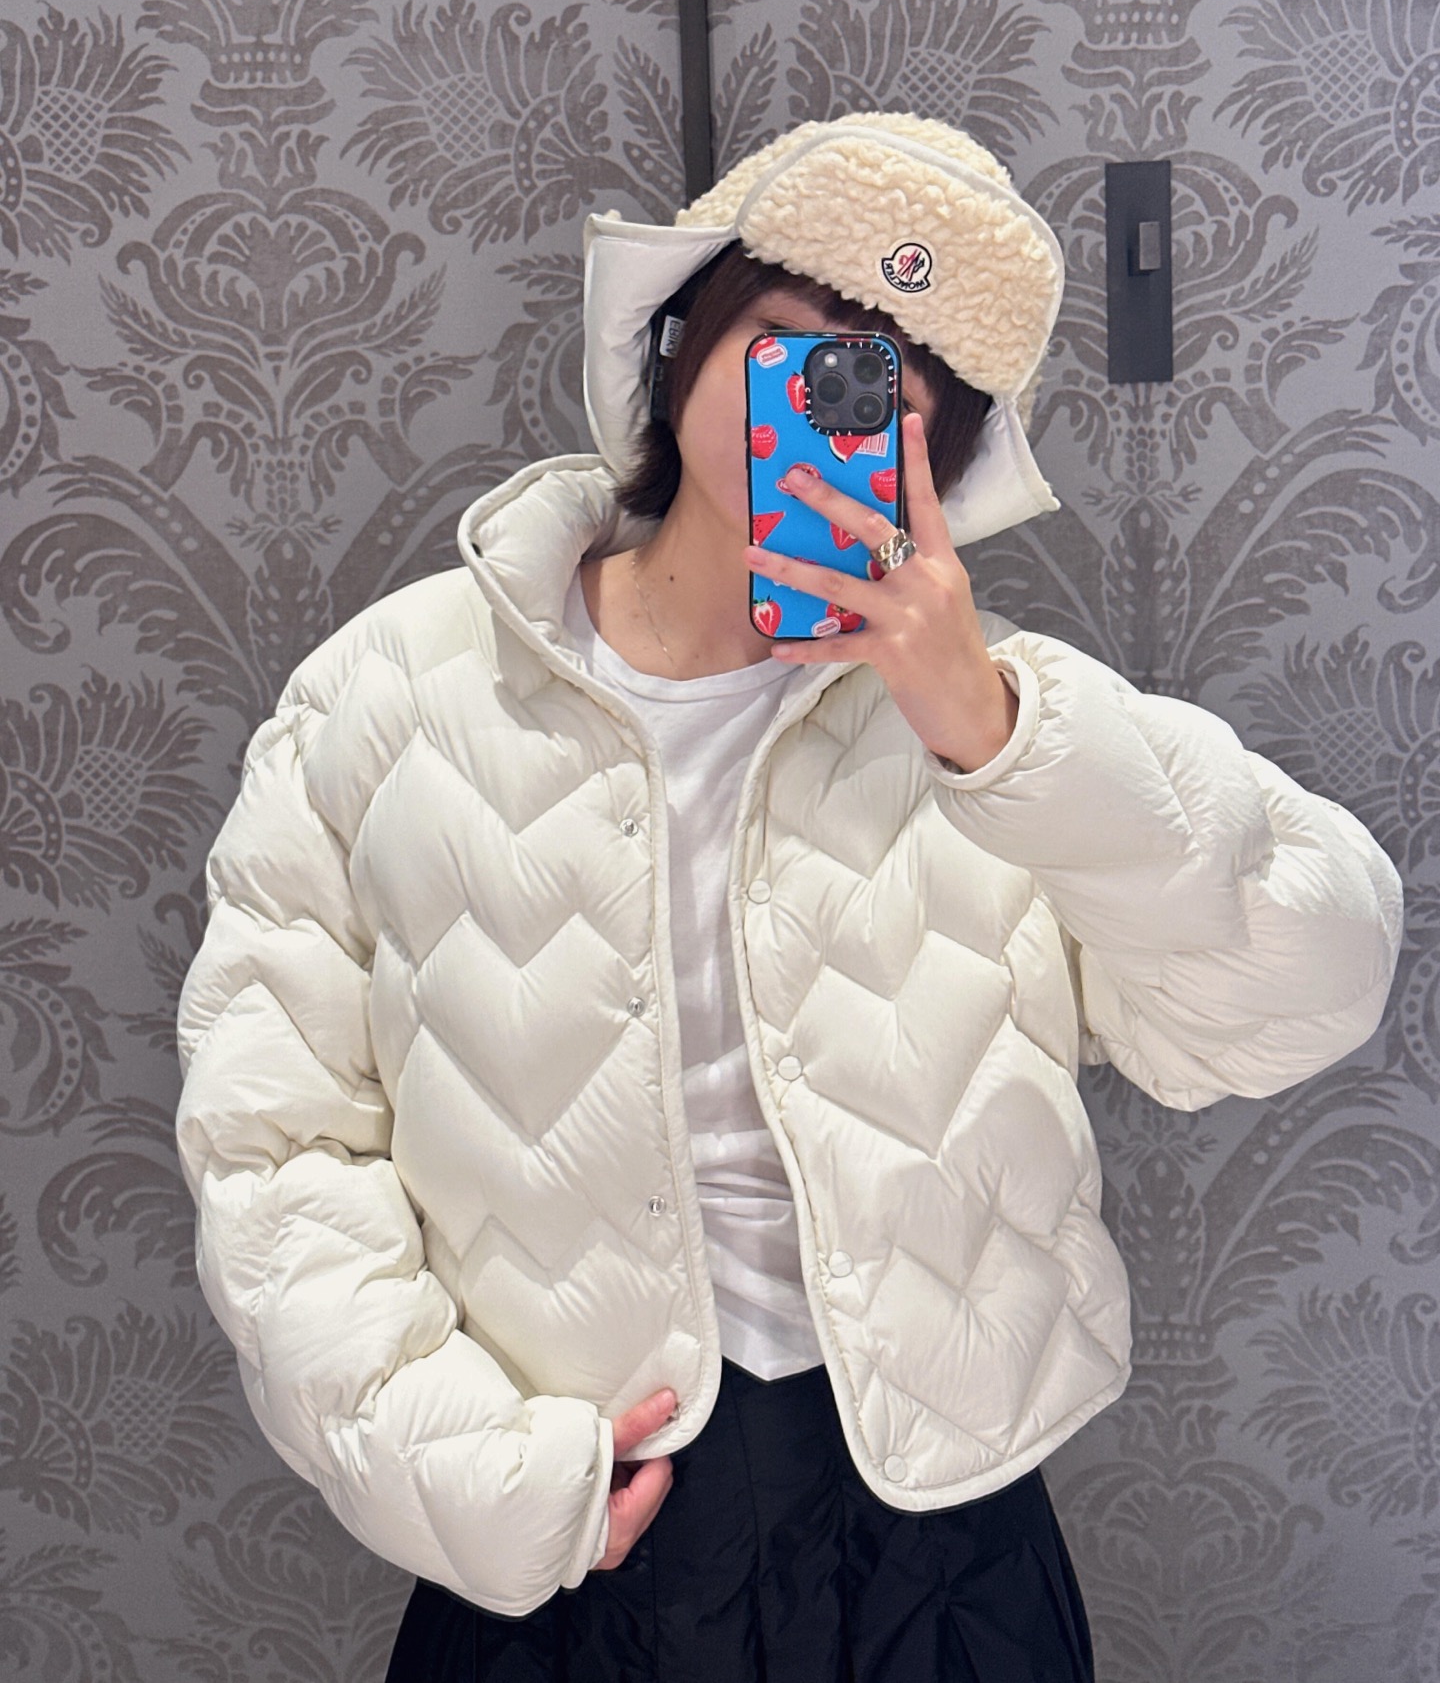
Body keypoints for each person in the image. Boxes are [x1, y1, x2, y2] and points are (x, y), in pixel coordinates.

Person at [173, 114, 1404, 1682]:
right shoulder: (386, 697)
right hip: (572, 1528)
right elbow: (277, 1143)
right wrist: (471, 1471)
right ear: (684, 339)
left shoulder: (1003, 726)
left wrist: (993, 732)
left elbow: (1316, 973)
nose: (824, 398)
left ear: (940, 446)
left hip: (939, 1548)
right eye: (790, 336)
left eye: (889, 379)